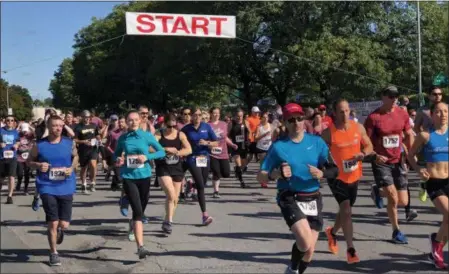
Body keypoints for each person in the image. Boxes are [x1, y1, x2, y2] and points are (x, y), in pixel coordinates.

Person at [258, 103, 338, 274]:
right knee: (304, 241)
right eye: (291, 120)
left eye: (300, 118)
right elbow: (261, 175)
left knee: (308, 251)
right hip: (290, 196)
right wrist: (276, 174)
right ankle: (292, 269)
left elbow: (334, 170)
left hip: (313, 197)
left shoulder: (317, 142)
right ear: (285, 123)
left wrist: (322, 173)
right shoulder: (279, 146)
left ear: (304, 119)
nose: (297, 123)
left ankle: (296, 270)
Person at [321, 99, 374, 264]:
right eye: (341, 111)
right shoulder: (329, 133)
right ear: (335, 113)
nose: (345, 114)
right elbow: (318, 153)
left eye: (347, 110)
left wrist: (363, 154)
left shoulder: (358, 127)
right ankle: (351, 249)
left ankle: (332, 232)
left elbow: (369, 145)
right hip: (336, 177)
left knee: (346, 210)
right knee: (346, 209)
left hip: (354, 175)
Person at [364, 85, 416, 244]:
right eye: (390, 96)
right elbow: (366, 142)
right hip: (382, 161)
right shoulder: (374, 117)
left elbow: (408, 134)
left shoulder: (402, 114)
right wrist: (374, 155)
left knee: (404, 201)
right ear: (383, 97)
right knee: (393, 197)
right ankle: (396, 231)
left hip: (398, 159)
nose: (394, 99)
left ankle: (377, 192)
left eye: (396, 96)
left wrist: (409, 154)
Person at [27, 115, 78, 266]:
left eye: (60, 126)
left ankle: (60, 231)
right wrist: (37, 165)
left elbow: (76, 158)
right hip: (46, 185)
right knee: (53, 222)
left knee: (64, 224)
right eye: (55, 125)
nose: (58, 128)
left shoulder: (69, 143)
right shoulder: (40, 145)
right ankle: (53, 252)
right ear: (48, 127)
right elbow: (29, 161)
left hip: (66, 185)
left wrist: (71, 168)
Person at [114, 110, 166, 258]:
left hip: (144, 176)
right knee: (138, 212)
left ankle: (132, 223)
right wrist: (118, 160)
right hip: (129, 176)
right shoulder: (123, 138)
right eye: (130, 120)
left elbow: (161, 152)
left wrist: (147, 156)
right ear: (126, 121)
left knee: (141, 210)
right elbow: (116, 154)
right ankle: (140, 247)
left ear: (140, 121)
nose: (133, 122)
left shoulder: (146, 136)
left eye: (136, 119)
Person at [407, 102, 448, 270]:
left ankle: (436, 248)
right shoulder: (425, 136)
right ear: (432, 115)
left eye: (446, 111)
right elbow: (410, 155)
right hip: (434, 182)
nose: (443, 114)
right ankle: (437, 244)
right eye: (438, 112)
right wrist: (418, 169)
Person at [155, 113, 192, 234]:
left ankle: (167, 220)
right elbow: (150, 148)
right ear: (164, 124)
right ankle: (169, 222)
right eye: (169, 126)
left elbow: (189, 149)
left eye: (174, 126)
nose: (171, 129)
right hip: (163, 167)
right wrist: (165, 149)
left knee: (174, 198)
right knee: (171, 194)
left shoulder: (180, 134)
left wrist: (178, 153)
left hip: (177, 167)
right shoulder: (158, 134)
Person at [182, 107, 219, 225]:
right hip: (192, 158)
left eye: (199, 115)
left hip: (205, 158)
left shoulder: (206, 126)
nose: (197, 117)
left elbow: (216, 142)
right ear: (191, 116)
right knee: (201, 187)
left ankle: (190, 184)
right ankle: (205, 215)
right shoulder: (186, 129)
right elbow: (179, 141)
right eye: (195, 115)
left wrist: (207, 143)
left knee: (202, 184)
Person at [208, 107, 236, 198]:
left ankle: (212, 175)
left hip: (223, 152)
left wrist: (232, 144)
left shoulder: (223, 124)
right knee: (216, 172)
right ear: (211, 114)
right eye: (215, 113)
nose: (216, 115)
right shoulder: (207, 125)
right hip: (212, 153)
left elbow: (225, 137)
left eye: (218, 113)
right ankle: (216, 191)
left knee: (226, 173)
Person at [74, 110, 100, 193]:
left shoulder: (94, 125)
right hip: (83, 150)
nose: (87, 119)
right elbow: (75, 140)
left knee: (93, 165)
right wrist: (84, 141)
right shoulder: (78, 127)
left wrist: (98, 138)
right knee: (84, 168)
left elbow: (97, 135)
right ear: (82, 118)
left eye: (88, 117)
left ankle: (92, 183)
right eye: (85, 117)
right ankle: (83, 184)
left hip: (93, 148)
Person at [0, 115, 20, 204]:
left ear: (14, 122)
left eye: (12, 120)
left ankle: (10, 196)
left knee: (11, 177)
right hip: (2, 156)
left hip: (12, 157)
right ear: (5, 121)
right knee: (1, 178)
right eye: (8, 120)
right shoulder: (1, 130)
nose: (10, 122)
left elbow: (18, 141)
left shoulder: (15, 132)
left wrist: (17, 145)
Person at [228, 108, 250, 188]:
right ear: (234, 116)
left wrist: (248, 140)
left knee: (243, 165)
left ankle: (237, 170)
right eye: (237, 116)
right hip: (235, 146)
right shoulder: (231, 123)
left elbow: (250, 132)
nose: (239, 118)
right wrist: (230, 144)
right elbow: (227, 135)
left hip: (244, 146)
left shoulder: (246, 122)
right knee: (238, 163)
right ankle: (242, 181)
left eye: (241, 116)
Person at [254, 111, 273, 188]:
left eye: (266, 117)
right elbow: (255, 139)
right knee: (263, 165)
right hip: (261, 148)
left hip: (270, 148)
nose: (265, 119)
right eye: (264, 117)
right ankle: (263, 182)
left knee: (269, 164)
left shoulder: (270, 126)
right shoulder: (259, 127)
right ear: (261, 118)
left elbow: (274, 136)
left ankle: (266, 178)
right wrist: (264, 135)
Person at [15, 124, 35, 194]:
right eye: (24, 131)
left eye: (26, 131)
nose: (25, 133)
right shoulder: (18, 135)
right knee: (20, 173)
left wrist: (30, 127)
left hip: (28, 157)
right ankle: (19, 182)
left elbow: (36, 133)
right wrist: (19, 127)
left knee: (27, 174)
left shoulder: (31, 135)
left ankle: (25, 189)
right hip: (19, 157)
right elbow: (15, 134)